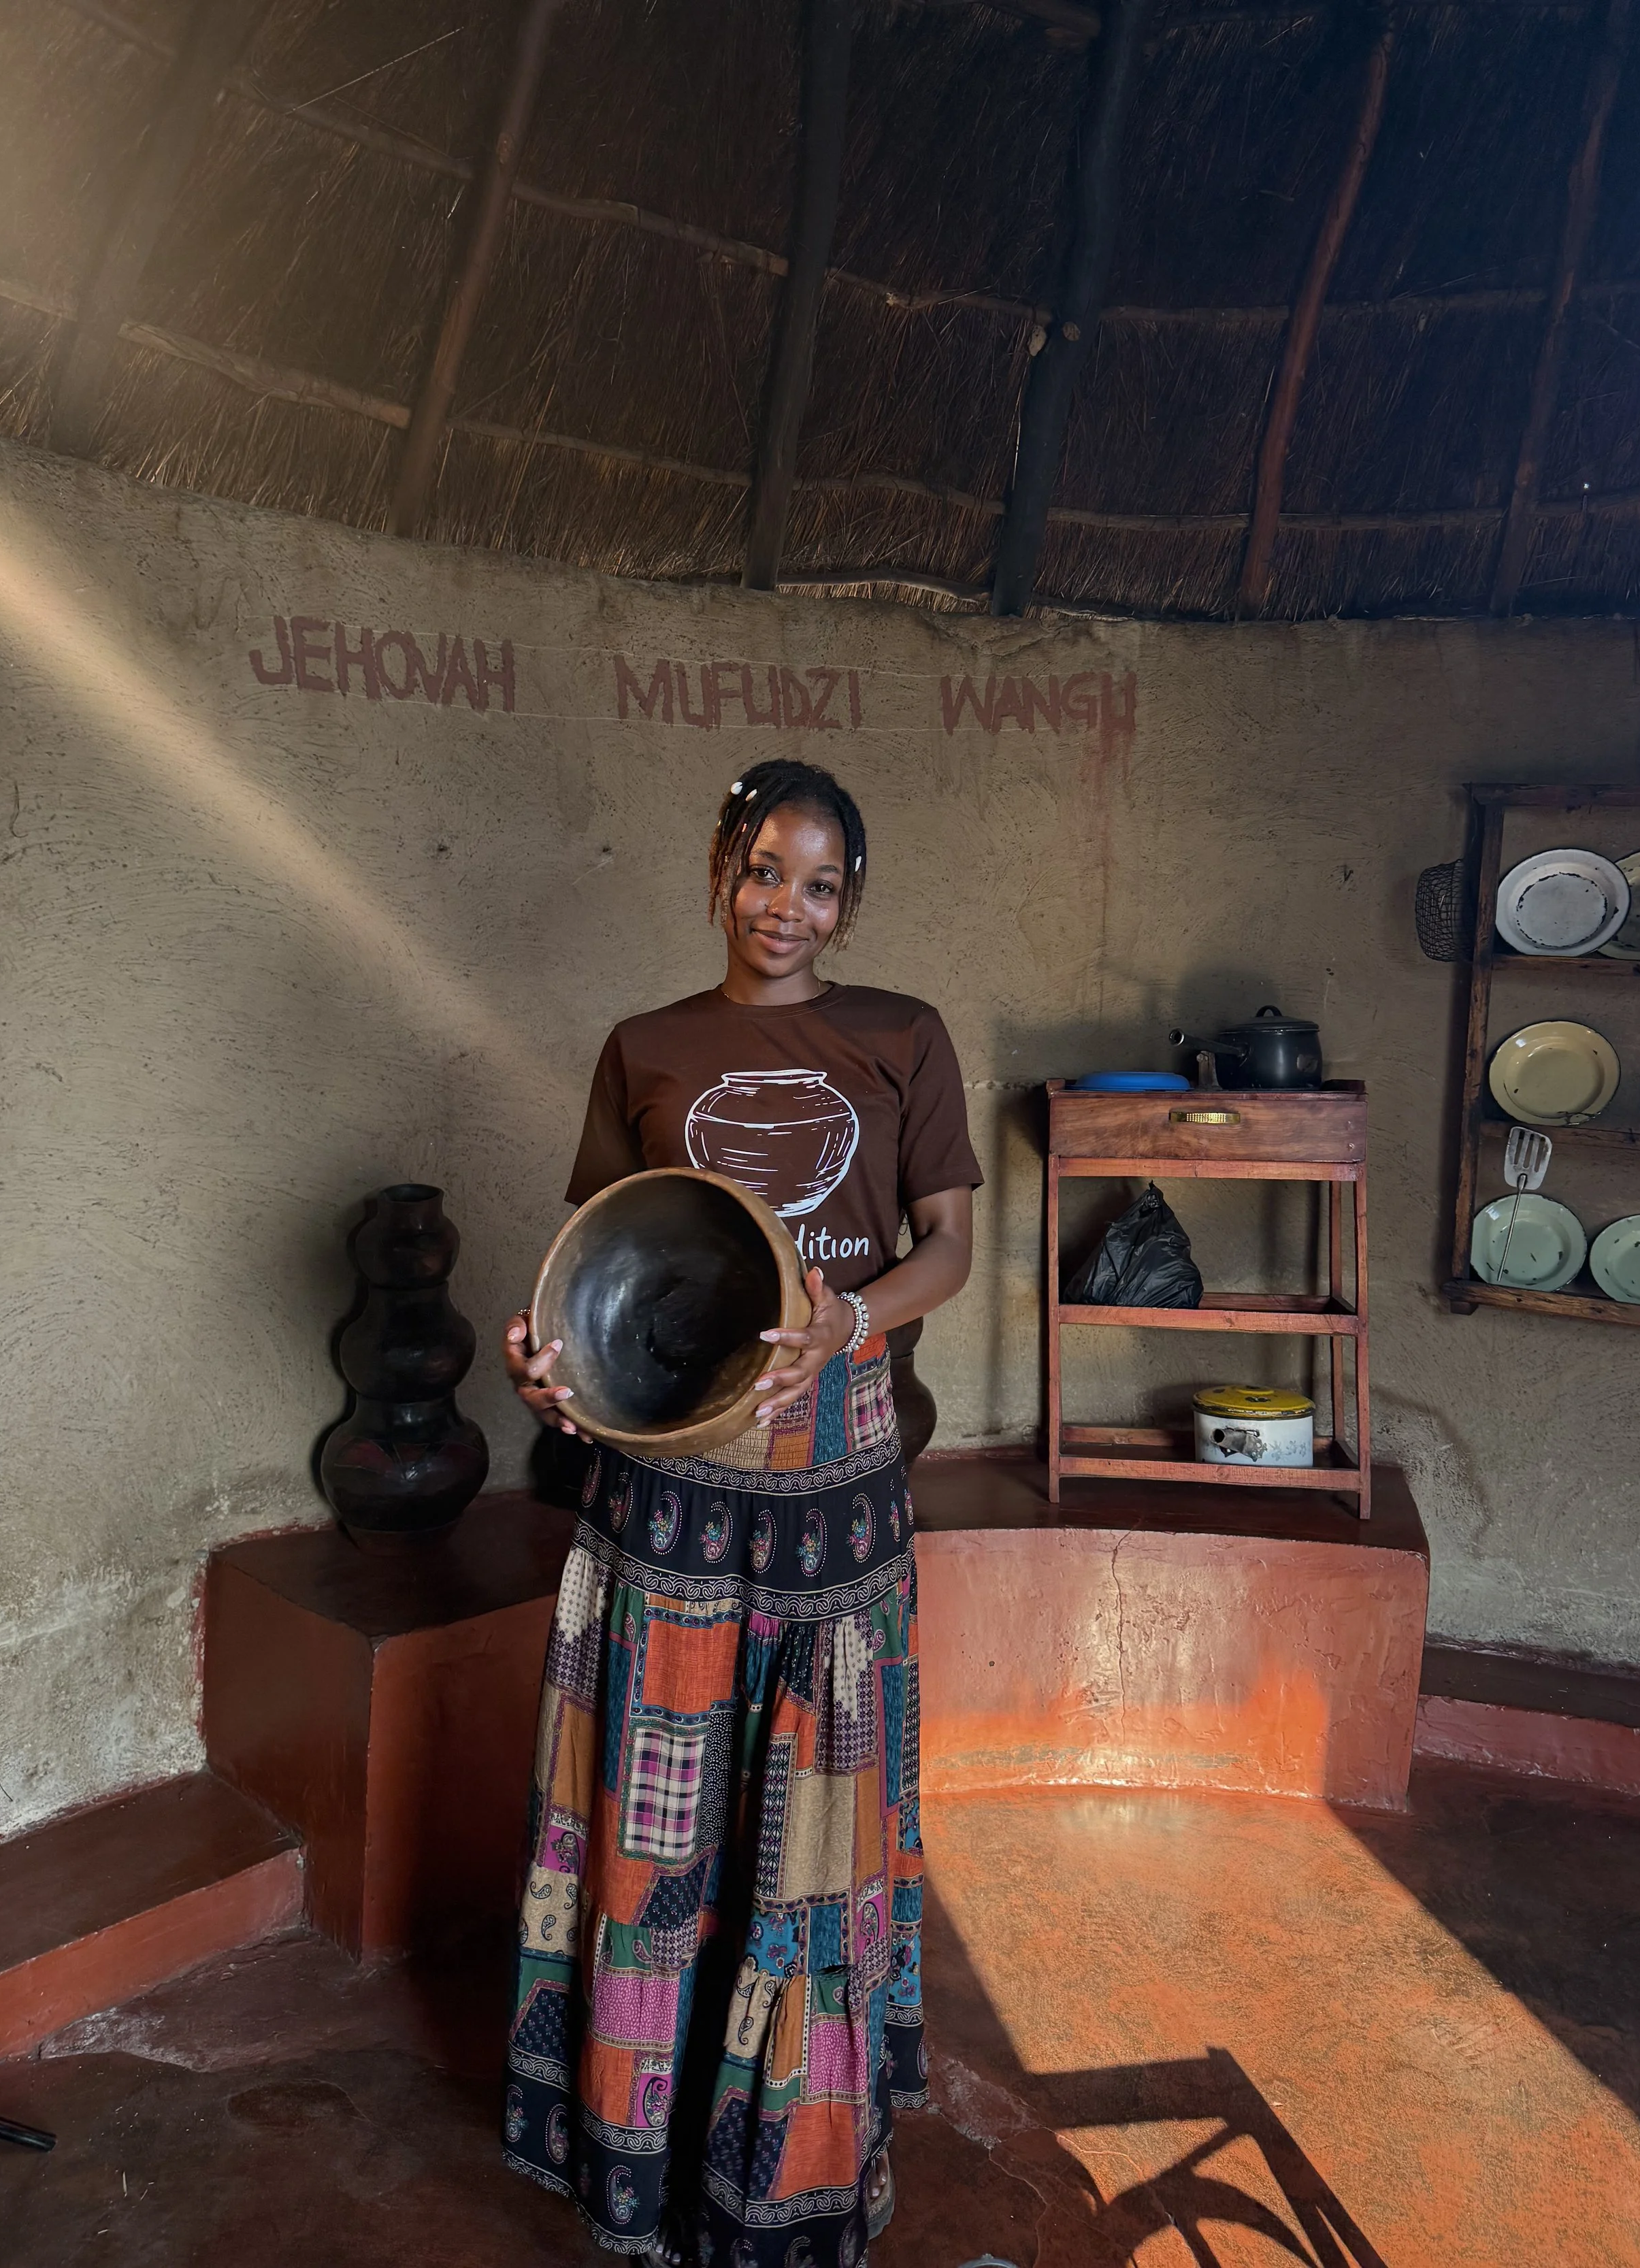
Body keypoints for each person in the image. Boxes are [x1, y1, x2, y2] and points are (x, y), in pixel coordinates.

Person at [501, 758, 980, 2267]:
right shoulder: (645, 1044)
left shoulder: (901, 1036)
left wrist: (849, 1328)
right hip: (669, 1471)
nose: (787, 906)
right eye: (764, 869)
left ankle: (790, 2133)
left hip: (833, 1471)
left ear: (852, 901)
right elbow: (597, 1253)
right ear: (720, 868)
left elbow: (950, 1246)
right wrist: (548, 1367)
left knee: (811, 1806)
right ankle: (634, 2129)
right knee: (662, 1799)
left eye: (820, 881)